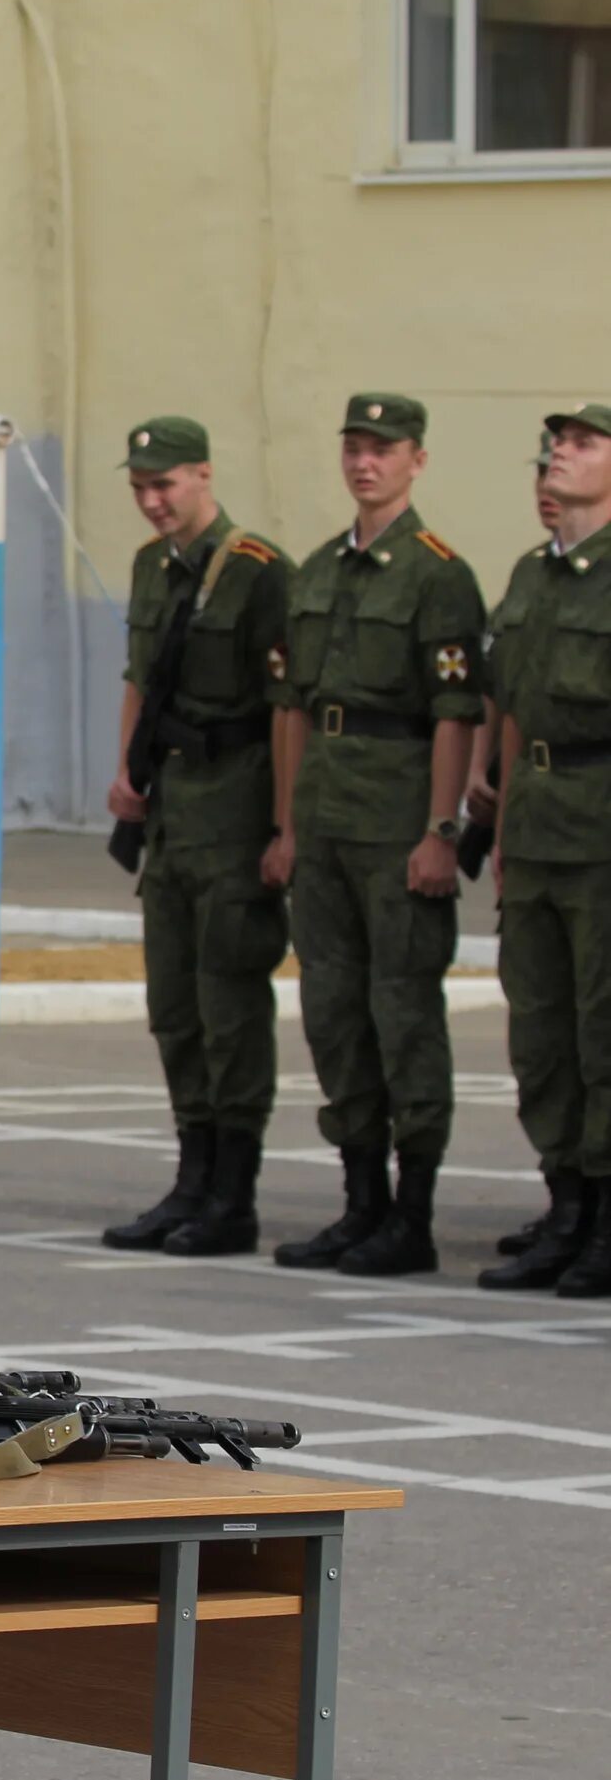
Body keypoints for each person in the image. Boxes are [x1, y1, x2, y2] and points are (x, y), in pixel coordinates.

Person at [271, 393, 489, 1275]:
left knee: (403, 1013)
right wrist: (285, 823)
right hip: (323, 818)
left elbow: (455, 712)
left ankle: (413, 1211)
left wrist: (443, 828)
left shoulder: (438, 573)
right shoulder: (317, 570)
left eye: (384, 449)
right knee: (334, 1012)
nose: (366, 463)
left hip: (397, 816)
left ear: (416, 461)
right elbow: (288, 707)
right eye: (355, 447)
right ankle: (360, 1200)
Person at [98, 417, 296, 1256]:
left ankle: (233, 1192)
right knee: (174, 1007)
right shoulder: (152, 566)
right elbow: (141, 680)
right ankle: (192, 1176)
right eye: (141, 487)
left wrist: (286, 824)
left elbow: (286, 709)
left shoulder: (257, 573)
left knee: (229, 1006)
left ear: (203, 476)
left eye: (165, 485)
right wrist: (127, 774)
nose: (152, 502)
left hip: (236, 805)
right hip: (174, 812)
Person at [479, 403, 611, 1292]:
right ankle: (565, 1202)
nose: (559, 453)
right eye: (556, 442)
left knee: (604, 1030)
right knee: (542, 1031)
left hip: (602, 825)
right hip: (535, 823)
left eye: (583, 442)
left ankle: (605, 1213)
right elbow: (513, 700)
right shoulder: (533, 572)